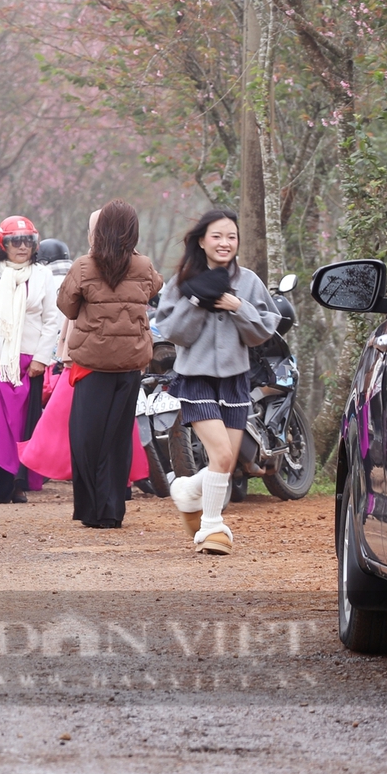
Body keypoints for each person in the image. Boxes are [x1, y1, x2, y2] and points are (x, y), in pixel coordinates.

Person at [154, 208, 279, 556]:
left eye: (231, 237)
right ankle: (212, 528)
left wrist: (237, 305)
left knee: (226, 459)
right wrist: (197, 300)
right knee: (222, 453)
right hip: (195, 378)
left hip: (235, 380)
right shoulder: (181, 281)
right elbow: (174, 331)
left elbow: (264, 331)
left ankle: (186, 490)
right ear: (201, 241)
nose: (225, 243)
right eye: (217, 236)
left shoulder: (249, 281)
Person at [55, 201, 163, 528]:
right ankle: (113, 510)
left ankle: (91, 510)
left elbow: (67, 307)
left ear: (98, 232)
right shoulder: (143, 266)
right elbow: (154, 289)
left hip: (92, 364)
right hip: (130, 365)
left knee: (86, 437)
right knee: (117, 438)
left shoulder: (84, 266)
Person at [0, 217, 67, 503]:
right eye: (14, 241)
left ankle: (18, 482)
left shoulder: (43, 275)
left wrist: (41, 358)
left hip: (28, 363)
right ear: (2, 244)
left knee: (23, 425)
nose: (22, 247)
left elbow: (51, 320)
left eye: (28, 241)